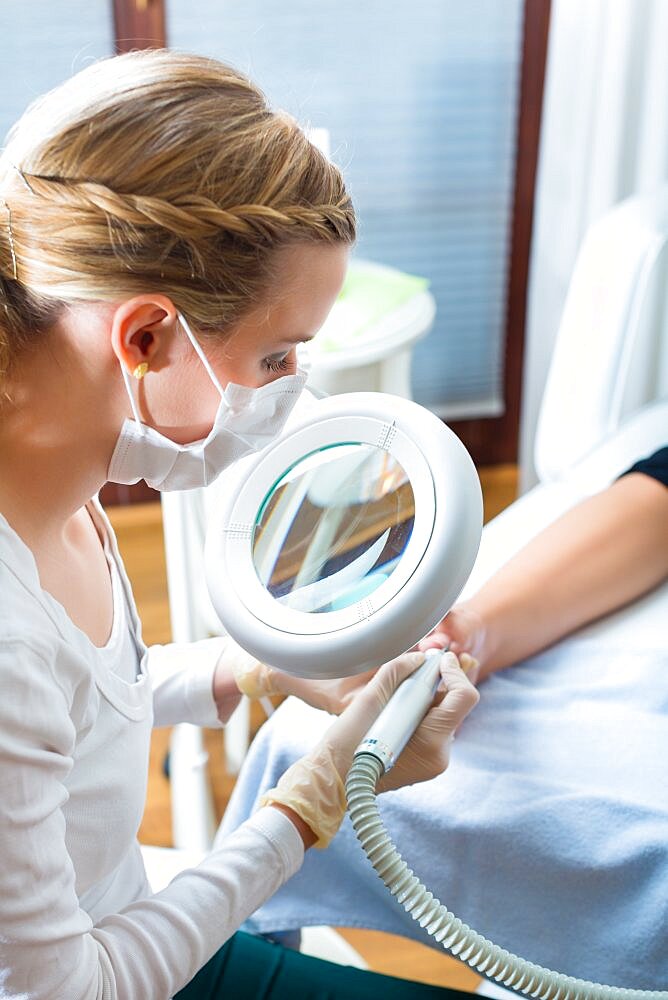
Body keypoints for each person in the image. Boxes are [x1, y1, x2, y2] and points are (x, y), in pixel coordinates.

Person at [0, 51, 479, 1000]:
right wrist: (311, 803)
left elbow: (84, 705)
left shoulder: (56, 469)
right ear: (144, 337)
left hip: (129, 914)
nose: (291, 390)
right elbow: (69, 990)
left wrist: (252, 669)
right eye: (276, 357)